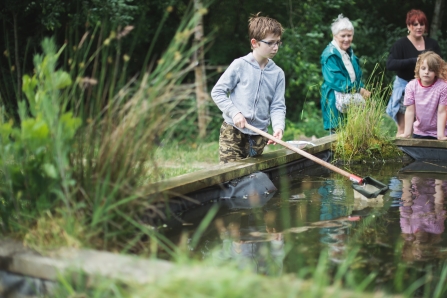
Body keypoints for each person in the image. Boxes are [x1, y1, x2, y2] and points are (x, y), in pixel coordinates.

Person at [211, 12, 286, 164]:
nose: (275, 47)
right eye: (270, 43)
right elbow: (217, 92)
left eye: (278, 42)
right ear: (254, 43)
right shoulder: (240, 65)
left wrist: (278, 127)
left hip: (258, 135)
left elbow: (277, 106)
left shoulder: (278, 74)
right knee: (230, 175)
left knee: (251, 177)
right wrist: (235, 113)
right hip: (232, 131)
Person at [386, 9, 441, 136]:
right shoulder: (400, 45)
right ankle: (401, 155)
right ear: (408, 26)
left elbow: (440, 65)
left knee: (423, 129)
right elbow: (390, 64)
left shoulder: (432, 44)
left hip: (429, 91)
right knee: (404, 129)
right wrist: (413, 61)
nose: (419, 27)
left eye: (421, 24)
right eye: (415, 24)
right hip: (405, 88)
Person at [320, 14, 371, 133]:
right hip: (335, 103)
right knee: (337, 141)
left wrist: (362, 88)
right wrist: (360, 89)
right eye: (343, 36)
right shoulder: (330, 55)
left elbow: (357, 77)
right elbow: (337, 81)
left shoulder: (349, 53)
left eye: (349, 35)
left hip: (352, 102)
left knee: (354, 137)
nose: (347, 39)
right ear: (335, 35)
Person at [398, 51, 447, 140]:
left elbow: (442, 112)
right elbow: (410, 111)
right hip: (420, 131)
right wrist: (406, 133)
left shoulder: (443, 87)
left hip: (440, 132)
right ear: (418, 69)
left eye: (431, 69)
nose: (426, 72)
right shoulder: (411, 86)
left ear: (436, 72)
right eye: (423, 68)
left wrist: (441, 135)